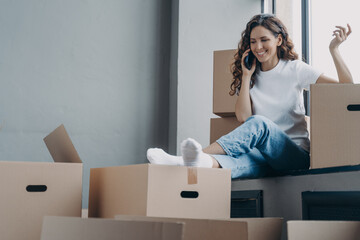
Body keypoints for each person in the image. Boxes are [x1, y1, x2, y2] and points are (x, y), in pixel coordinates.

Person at [147, 14, 354, 179]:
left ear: (279, 40)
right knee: (237, 162)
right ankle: (192, 162)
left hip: (294, 155)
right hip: (263, 156)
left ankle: (195, 154)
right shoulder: (250, 75)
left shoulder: (295, 70)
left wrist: (334, 49)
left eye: (264, 40)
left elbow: (346, 89)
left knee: (261, 124)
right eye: (253, 41)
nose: (258, 47)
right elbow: (244, 118)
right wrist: (246, 77)